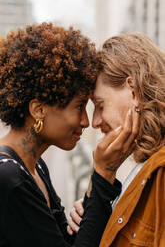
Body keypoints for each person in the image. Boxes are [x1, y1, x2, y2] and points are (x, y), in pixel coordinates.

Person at [0, 23, 139, 247]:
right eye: (79, 107)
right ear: (38, 110)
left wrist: (87, 207)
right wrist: (103, 175)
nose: (86, 121)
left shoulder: (34, 167)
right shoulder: (9, 179)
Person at [68, 32, 165, 246]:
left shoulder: (161, 172)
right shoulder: (145, 167)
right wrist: (96, 210)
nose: (95, 122)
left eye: (100, 105)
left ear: (134, 92)